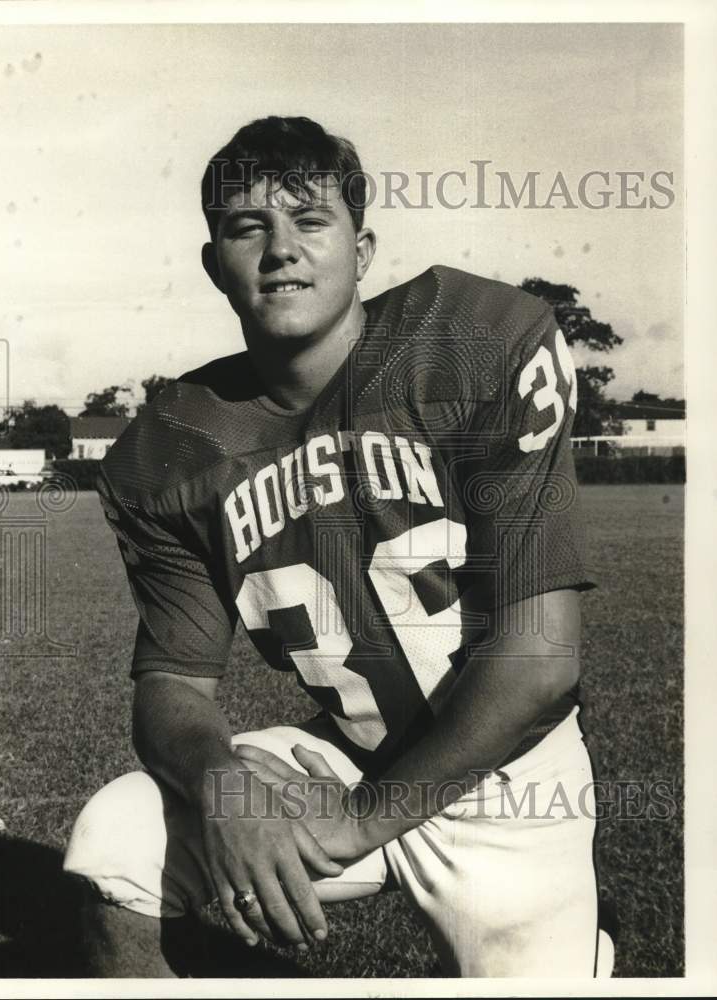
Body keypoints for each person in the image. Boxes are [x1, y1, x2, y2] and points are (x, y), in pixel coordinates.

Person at [63, 115, 614, 978]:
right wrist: (225, 788)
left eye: (310, 220)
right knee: (115, 843)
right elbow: (171, 682)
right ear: (215, 263)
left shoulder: (476, 341)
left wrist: (357, 826)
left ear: (362, 251)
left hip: (503, 775)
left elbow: (540, 662)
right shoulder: (167, 447)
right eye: (249, 228)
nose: (281, 249)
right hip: (344, 753)